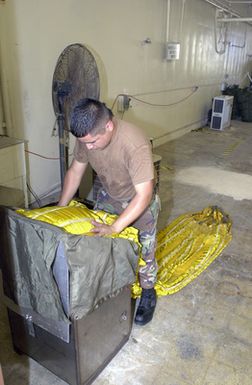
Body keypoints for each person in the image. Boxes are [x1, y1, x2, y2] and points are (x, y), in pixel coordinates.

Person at [58, 98, 160, 326]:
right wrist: (60, 209)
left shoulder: (134, 143)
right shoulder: (87, 138)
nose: (88, 147)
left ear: (109, 126)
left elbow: (143, 194)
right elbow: (75, 172)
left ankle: (148, 292)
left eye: (93, 142)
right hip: (108, 195)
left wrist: (116, 226)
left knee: (144, 253)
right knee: (104, 246)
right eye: (85, 143)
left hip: (138, 203)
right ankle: (112, 289)